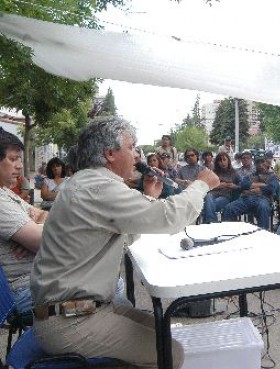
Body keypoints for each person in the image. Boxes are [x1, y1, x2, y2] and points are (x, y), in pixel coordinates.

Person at [30, 117, 220, 367]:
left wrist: (148, 198)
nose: (137, 156)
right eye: (131, 148)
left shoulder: (88, 183)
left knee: (165, 332)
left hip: (77, 310)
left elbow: (125, 232)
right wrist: (201, 185)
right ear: (110, 153)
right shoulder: (98, 187)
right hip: (71, 321)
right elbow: (169, 217)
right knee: (170, 352)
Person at [0, 128, 48, 314]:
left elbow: (42, 214)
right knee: (109, 286)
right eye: (13, 159)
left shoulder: (5, 192)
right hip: (20, 290)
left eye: (20, 158)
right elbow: (47, 243)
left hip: (36, 277)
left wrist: (32, 227)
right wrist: (34, 232)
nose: (20, 165)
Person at [222, 156, 278, 230]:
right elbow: (243, 185)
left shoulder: (272, 176)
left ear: (267, 164)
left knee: (263, 207)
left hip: (263, 198)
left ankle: (263, 233)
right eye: (258, 163)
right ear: (255, 164)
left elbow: (271, 188)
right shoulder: (250, 175)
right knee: (229, 208)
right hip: (246, 198)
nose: (260, 165)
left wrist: (251, 187)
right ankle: (228, 232)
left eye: (262, 162)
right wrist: (261, 185)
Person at [203, 152, 241, 223]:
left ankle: (210, 222)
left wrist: (234, 186)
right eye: (220, 160)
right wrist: (220, 185)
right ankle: (212, 222)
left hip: (225, 197)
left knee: (207, 206)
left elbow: (241, 186)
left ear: (228, 161)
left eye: (224, 160)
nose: (222, 162)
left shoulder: (234, 173)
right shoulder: (213, 172)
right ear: (217, 162)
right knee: (208, 196)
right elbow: (207, 186)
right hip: (212, 195)